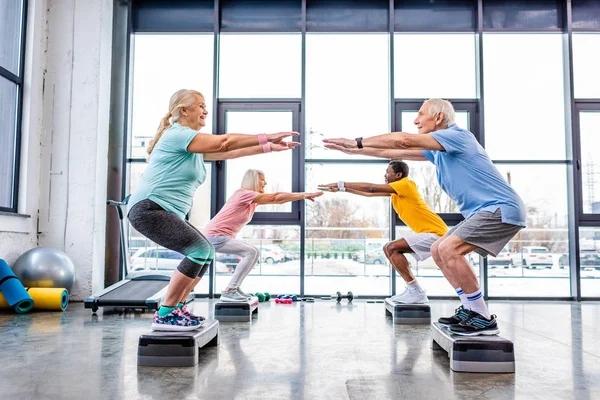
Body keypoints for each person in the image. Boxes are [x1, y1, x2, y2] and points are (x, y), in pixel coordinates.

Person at [323, 98, 526, 336]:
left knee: (449, 248)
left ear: (438, 117)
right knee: (438, 249)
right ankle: (471, 309)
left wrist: (356, 141)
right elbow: (394, 150)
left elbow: (403, 139)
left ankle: (482, 316)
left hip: (500, 207)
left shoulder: (457, 136)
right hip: (485, 211)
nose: (415, 120)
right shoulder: (439, 151)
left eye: (420, 114)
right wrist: (354, 150)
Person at [127, 89, 300, 331]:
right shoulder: (177, 135)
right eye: (200, 105)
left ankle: (175, 308)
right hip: (149, 208)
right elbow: (225, 142)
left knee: (206, 251)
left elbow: (230, 151)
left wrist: (269, 146)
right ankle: (165, 313)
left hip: (163, 210)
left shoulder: (191, 145)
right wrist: (267, 135)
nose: (205, 110)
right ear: (183, 110)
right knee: (198, 248)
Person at [318, 161, 447, 304]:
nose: (385, 175)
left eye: (388, 171)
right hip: (432, 233)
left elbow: (371, 188)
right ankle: (414, 289)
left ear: (398, 175)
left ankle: (415, 291)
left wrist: (341, 183)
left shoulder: (405, 184)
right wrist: (343, 189)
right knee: (390, 249)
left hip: (436, 233)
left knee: (391, 247)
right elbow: (368, 193)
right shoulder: (397, 191)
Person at [201, 169, 323, 302]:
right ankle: (230, 290)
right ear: (252, 180)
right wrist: (304, 195)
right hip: (214, 236)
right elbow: (275, 198)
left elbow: (278, 199)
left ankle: (234, 288)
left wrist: (301, 196)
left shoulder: (252, 199)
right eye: (262, 179)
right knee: (252, 252)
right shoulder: (243, 194)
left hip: (220, 236)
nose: (265, 182)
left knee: (253, 252)